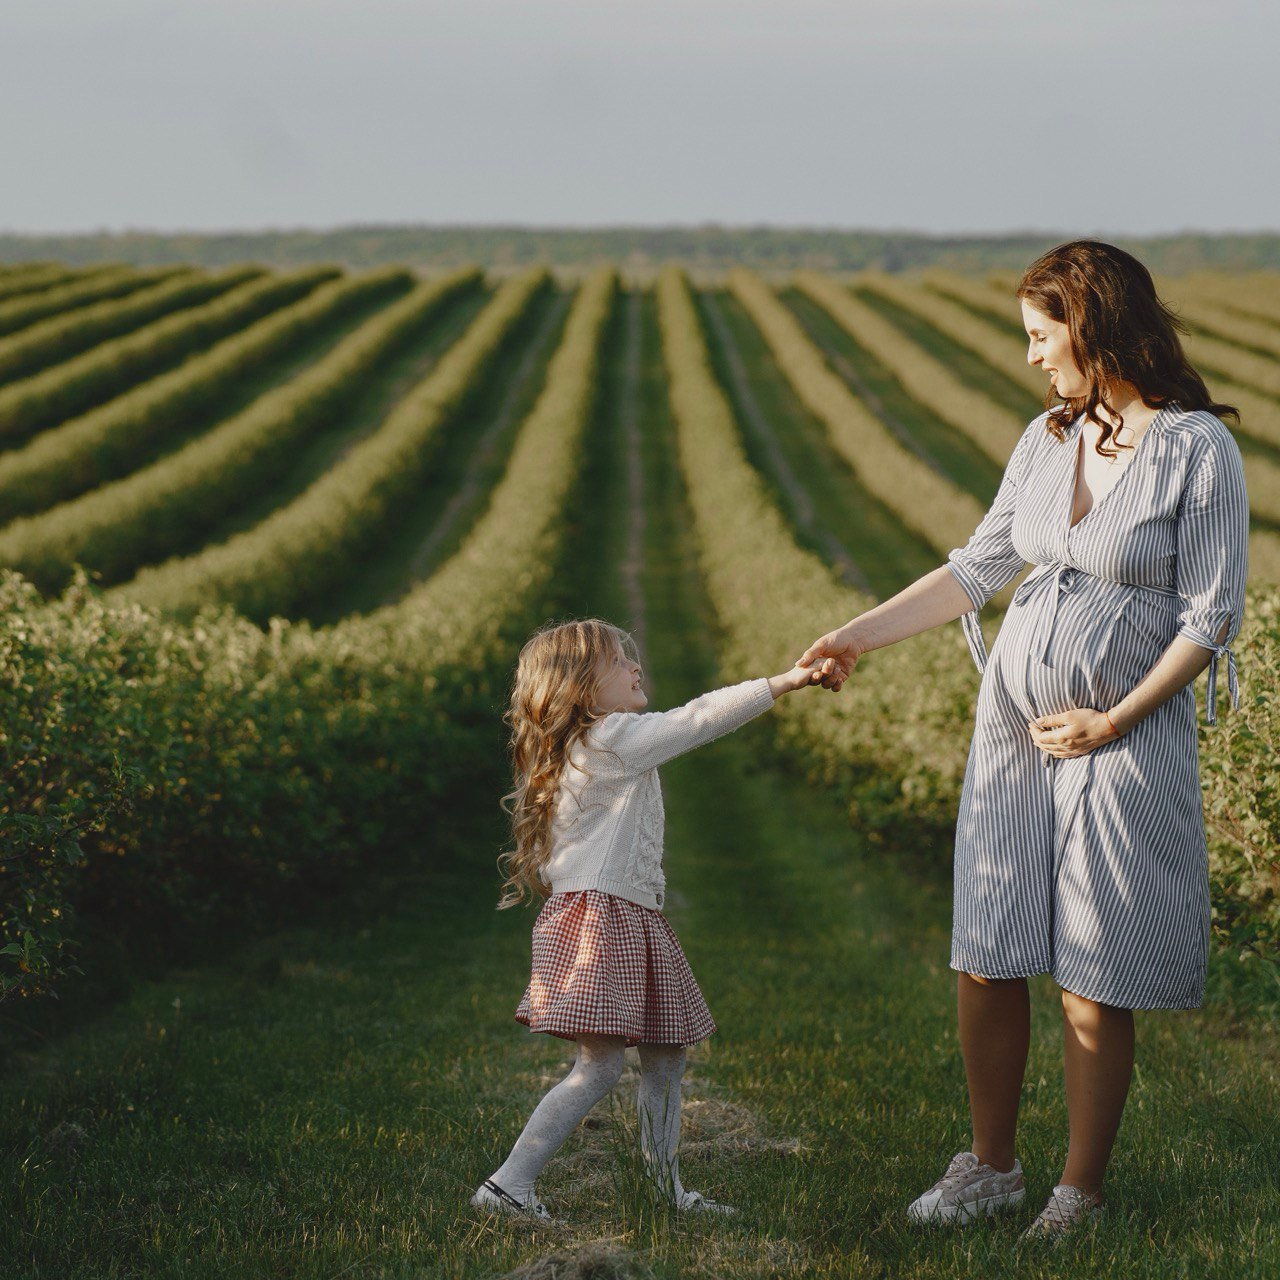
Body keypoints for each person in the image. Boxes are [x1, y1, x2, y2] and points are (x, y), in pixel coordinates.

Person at [799, 241, 1249, 1238]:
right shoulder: (1044, 438)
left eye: (1042, 337)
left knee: (1092, 962)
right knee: (988, 941)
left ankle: (1076, 1192)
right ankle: (989, 1164)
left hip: (1115, 735)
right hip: (1012, 727)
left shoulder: (1192, 449)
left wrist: (1111, 717)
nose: (1031, 357)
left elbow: (1209, 615)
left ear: (1093, 328)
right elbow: (976, 566)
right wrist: (853, 636)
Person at [470, 618, 819, 1220]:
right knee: (600, 1065)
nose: (636, 667)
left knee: (665, 1052)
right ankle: (508, 1185)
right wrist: (784, 682)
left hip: (620, 914)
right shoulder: (610, 740)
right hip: (605, 919)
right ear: (580, 688)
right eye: (618, 661)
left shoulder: (582, 747)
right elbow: (698, 718)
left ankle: (663, 1190)